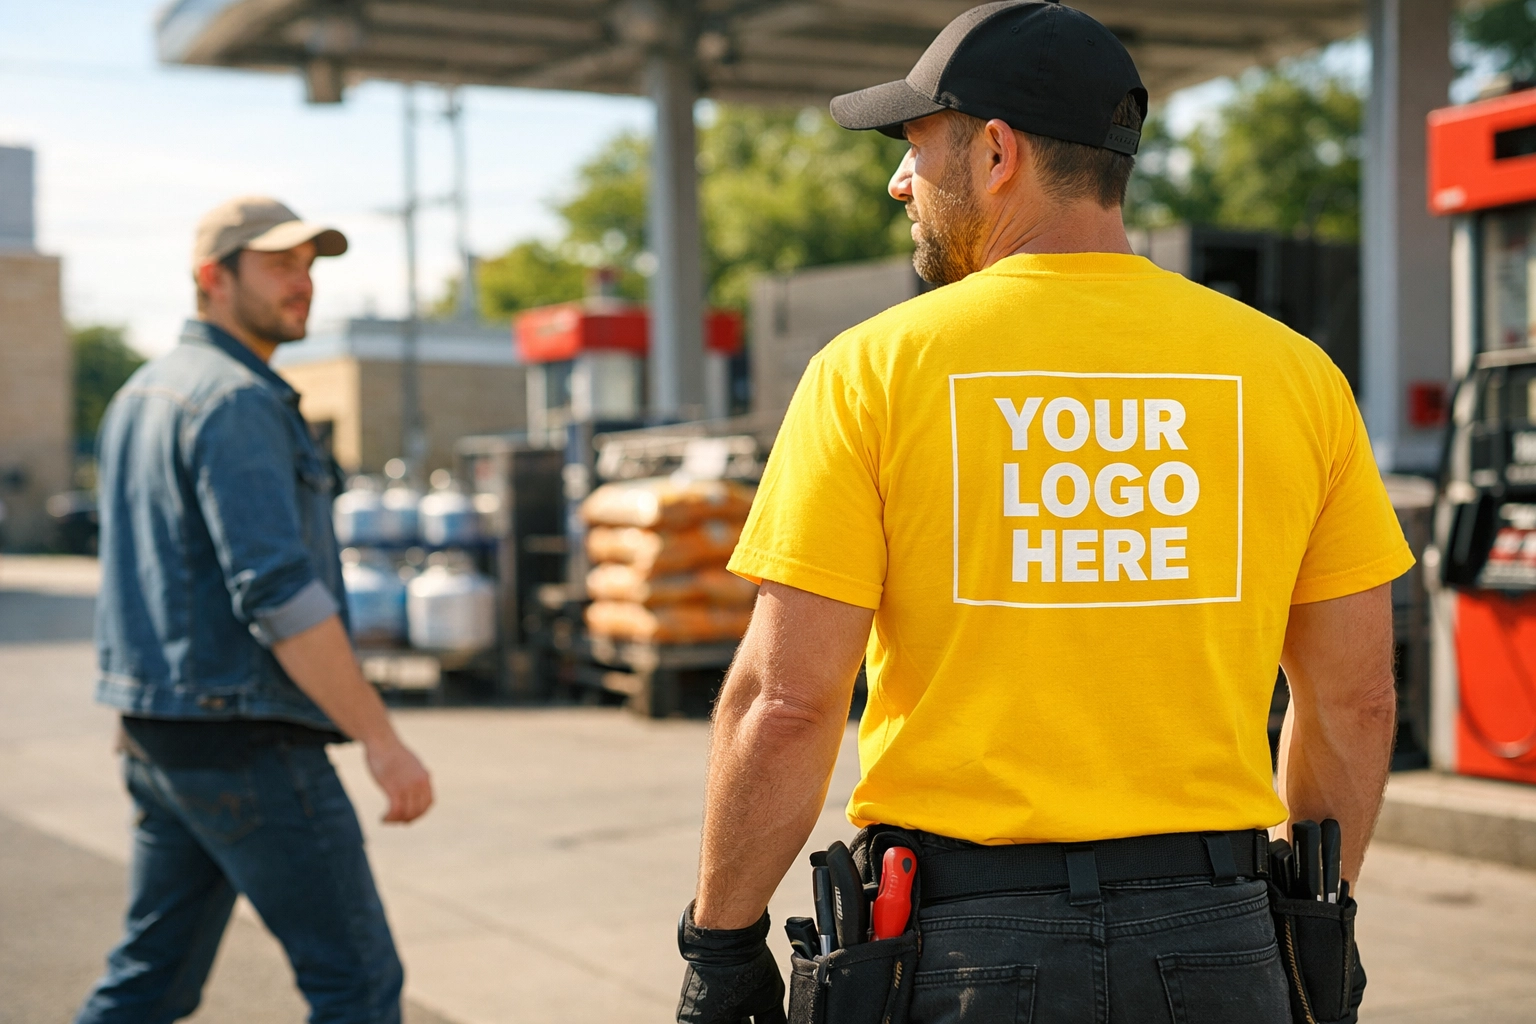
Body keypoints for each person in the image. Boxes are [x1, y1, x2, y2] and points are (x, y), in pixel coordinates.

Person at [675, 3, 1409, 1022]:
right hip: (1223, 941)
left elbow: (787, 704)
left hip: (963, 952)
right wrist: (1320, 914)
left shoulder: (875, 372)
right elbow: (1356, 698)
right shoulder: (1294, 375)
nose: (900, 181)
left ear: (997, 148)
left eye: (916, 147)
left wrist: (720, 941)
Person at [77, 197, 433, 1024]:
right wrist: (382, 739)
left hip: (162, 734)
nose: (302, 284)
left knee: (149, 983)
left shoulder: (142, 393)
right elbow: (276, 591)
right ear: (213, 277)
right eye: (279, 265)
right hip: (246, 743)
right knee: (359, 986)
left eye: (309, 266)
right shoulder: (236, 401)